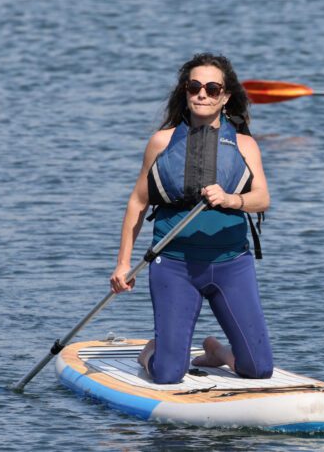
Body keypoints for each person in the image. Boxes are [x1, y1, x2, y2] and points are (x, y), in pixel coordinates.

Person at [110, 53, 273, 384]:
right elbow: (138, 201)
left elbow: (262, 199)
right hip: (174, 266)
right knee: (169, 374)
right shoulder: (162, 142)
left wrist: (231, 199)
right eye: (194, 87)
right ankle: (151, 351)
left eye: (212, 89)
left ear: (225, 97)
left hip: (232, 265)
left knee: (258, 369)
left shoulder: (244, 144)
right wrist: (122, 263)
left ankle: (218, 352)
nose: (202, 94)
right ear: (185, 92)